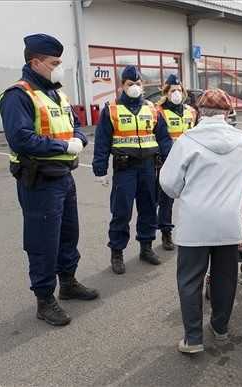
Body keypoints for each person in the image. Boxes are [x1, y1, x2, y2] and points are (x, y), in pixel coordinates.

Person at [0, 34, 99, 327]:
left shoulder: (57, 94)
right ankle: (45, 299)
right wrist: (63, 147)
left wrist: (78, 139)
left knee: (69, 234)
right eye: (54, 63)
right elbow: (20, 139)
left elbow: (75, 124)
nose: (59, 67)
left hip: (63, 177)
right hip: (39, 181)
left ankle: (67, 282)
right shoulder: (18, 95)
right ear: (36, 62)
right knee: (43, 242)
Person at [160, 89, 242, 354]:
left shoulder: (187, 141)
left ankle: (193, 338)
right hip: (229, 225)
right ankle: (220, 329)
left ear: (199, 111)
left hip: (195, 224)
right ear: (228, 113)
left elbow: (168, 184)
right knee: (224, 279)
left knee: (190, 280)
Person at [92, 65, 172, 275]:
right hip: (125, 168)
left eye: (138, 83)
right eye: (130, 84)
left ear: (142, 84)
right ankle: (117, 252)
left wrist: (169, 161)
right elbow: (101, 141)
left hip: (148, 167)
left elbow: (163, 138)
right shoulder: (111, 109)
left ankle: (146, 247)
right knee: (121, 211)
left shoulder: (152, 109)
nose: (135, 87)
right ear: (122, 86)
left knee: (148, 208)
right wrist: (99, 169)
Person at [155, 74, 196, 251]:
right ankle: (166, 233)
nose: (177, 93)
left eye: (179, 90)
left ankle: (192, 230)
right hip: (168, 162)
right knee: (166, 200)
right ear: (166, 92)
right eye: (173, 90)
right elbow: (160, 138)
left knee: (193, 197)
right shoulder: (159, 112)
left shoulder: (191, 111)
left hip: (190, 161)